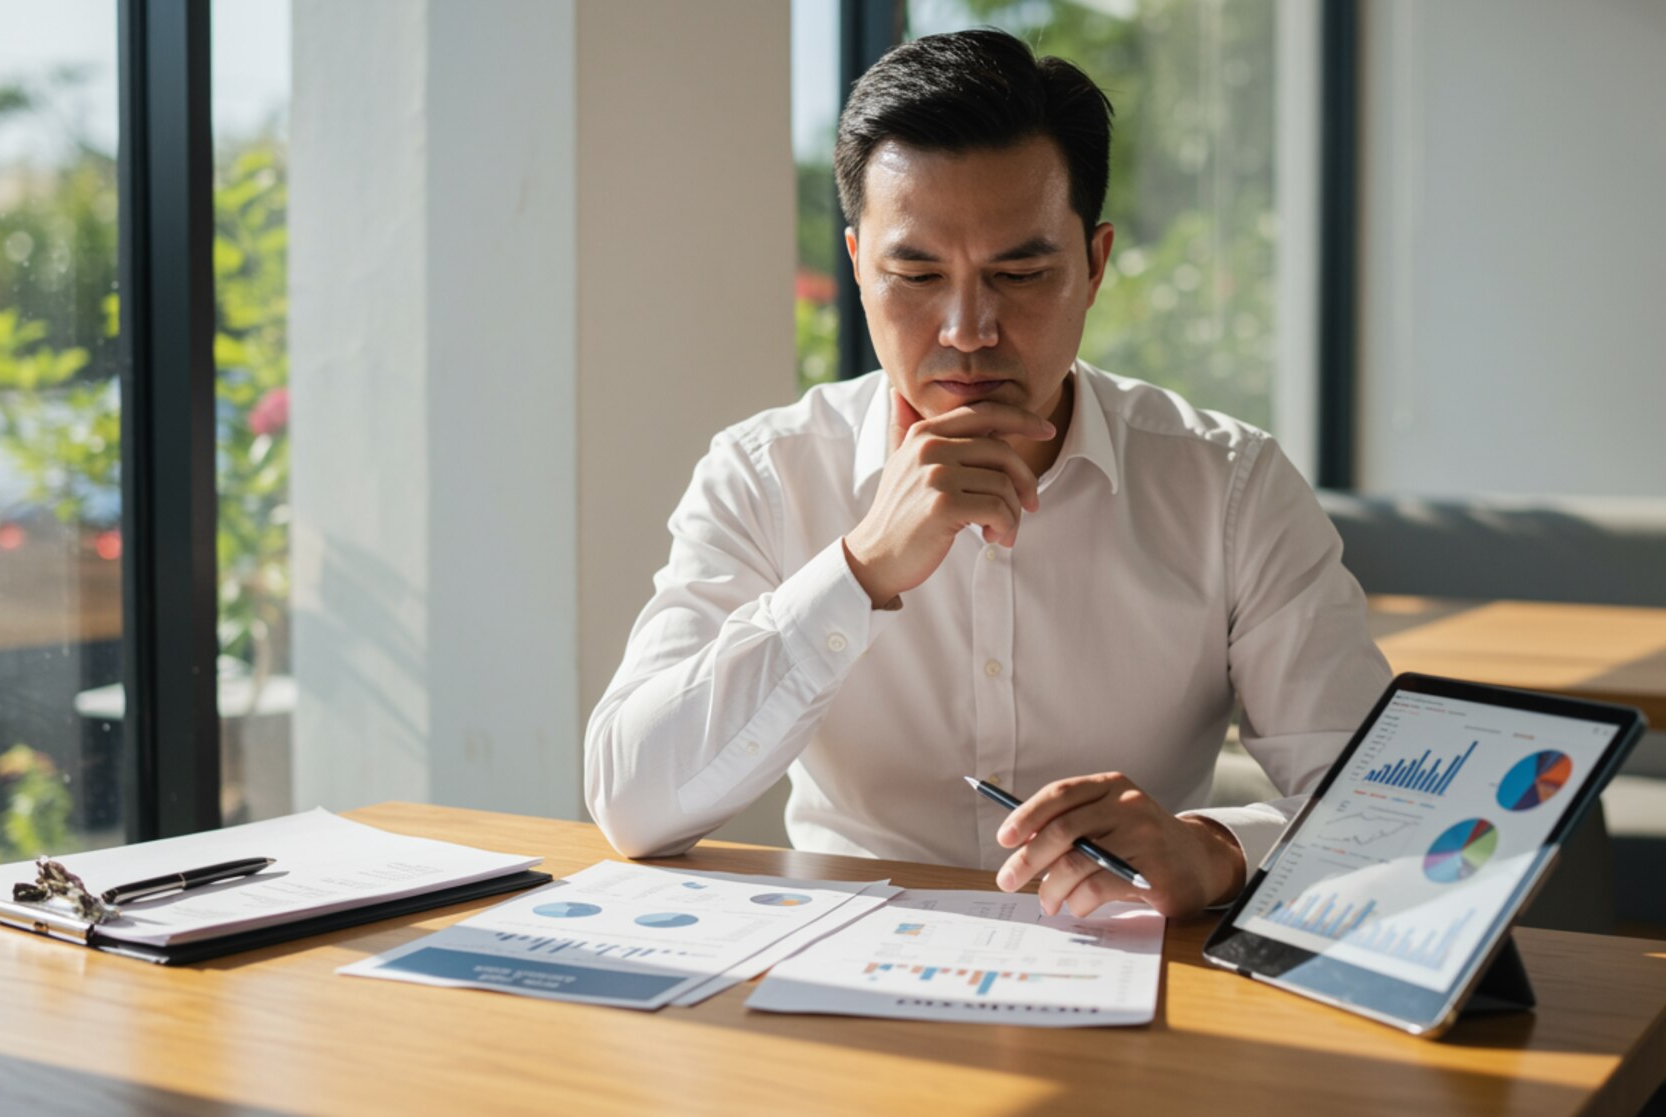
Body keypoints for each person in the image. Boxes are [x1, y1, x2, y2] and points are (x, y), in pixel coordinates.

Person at [585, 28, 1389, 920]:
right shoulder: (767, 472)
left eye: (1020, 271)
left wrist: (1217, 852)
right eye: (917, 272)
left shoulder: (1230, 487)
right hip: (839, 989)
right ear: (857, 266)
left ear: (1093, 265)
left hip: (1141, 991)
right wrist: (856, 573)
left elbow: (1385, 811)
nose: (967, 328)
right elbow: (632, 801)